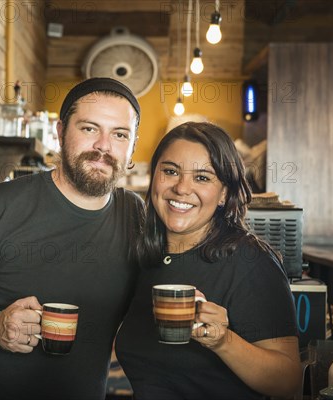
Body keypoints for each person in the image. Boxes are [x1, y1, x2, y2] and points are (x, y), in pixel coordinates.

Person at [0, 77, 145, 400]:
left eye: (119, 134)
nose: (104, 146)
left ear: (132, 147)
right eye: (89, 128)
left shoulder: (136, 216)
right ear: (61, 133)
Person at [115, 122, 302, 400]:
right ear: (154, 177)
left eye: (202, 178)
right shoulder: (146, 257)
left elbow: (288, 381)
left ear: (224, 193)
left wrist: (222, 341)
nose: (181, 188)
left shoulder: (250, 262)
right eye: (170, 171)